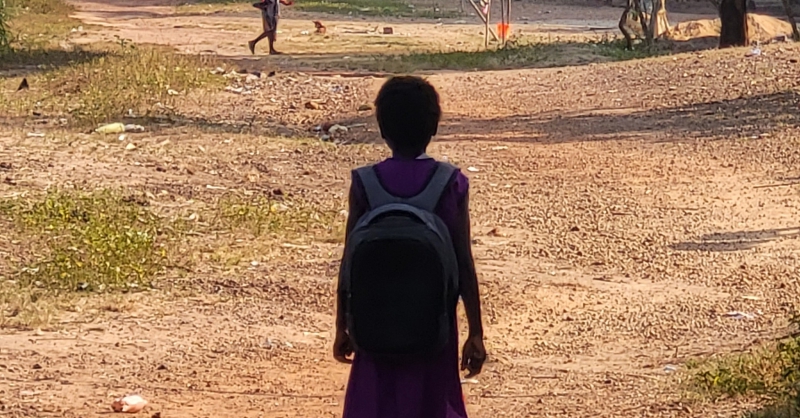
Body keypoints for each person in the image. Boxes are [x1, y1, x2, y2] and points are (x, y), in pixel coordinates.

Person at [334, 76, 487, 418]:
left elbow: (348, 262)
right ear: (433, 127)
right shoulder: (450, 182)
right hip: (433, 334)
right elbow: (463, 261)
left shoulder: (365, 182)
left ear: (382, 129)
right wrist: (476, 332)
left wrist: (341, 326)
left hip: (373, 330)